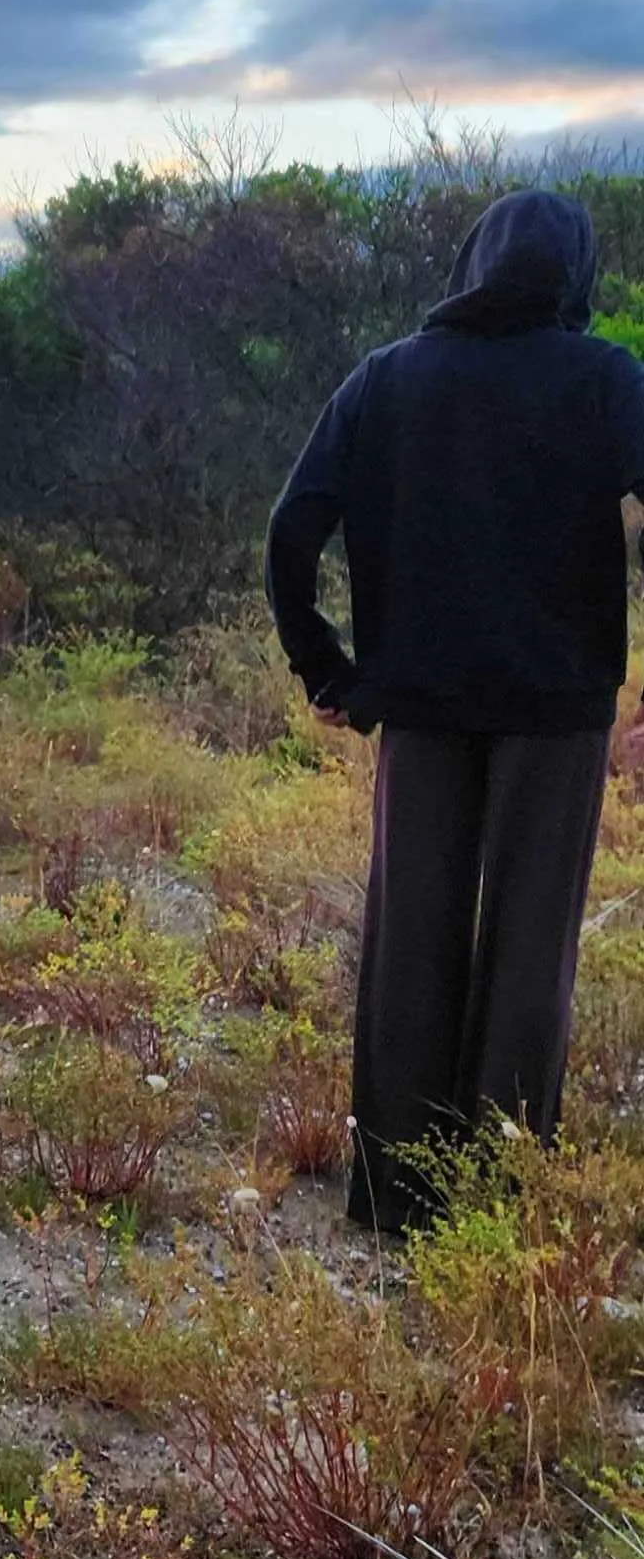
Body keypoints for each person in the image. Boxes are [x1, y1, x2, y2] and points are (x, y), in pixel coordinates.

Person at [264, 188, 644, 1236]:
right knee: (530, 948)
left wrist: (325, 668)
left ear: (471, 263)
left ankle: (397, 1200)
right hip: (556, 710)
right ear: (576, 271)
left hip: (420, 705)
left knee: (411, 940)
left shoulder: (390, 375)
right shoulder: (607, 376)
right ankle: (502, 1200)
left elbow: (292, 530)